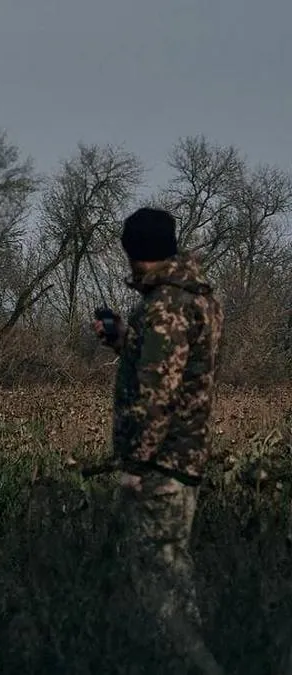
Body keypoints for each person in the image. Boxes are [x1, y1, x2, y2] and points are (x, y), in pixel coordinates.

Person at [92, 207, 225, 674]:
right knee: (171, 577)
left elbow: (158, 396)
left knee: (159, 591)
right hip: (181, 462)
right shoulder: (196, 297)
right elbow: (176, 367)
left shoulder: (166, 305)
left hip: (161, 468)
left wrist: (135, 466)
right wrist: (126, 339)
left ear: (135, 253)